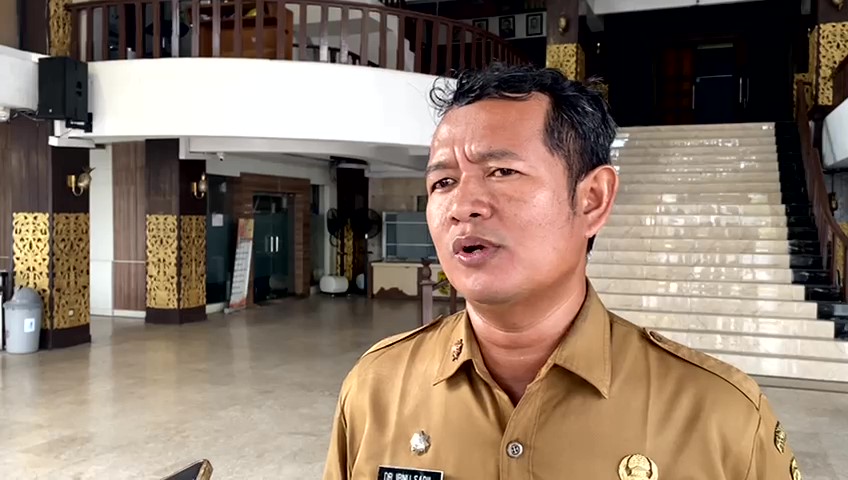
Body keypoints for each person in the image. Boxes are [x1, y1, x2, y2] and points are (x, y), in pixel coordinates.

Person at [322, 63, 801, 480]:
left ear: (592, 200)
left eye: (502, 172)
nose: (461, 206)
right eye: (443, 181)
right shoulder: (375, 388)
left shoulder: (722, 416)